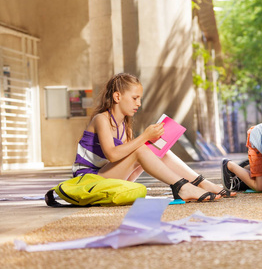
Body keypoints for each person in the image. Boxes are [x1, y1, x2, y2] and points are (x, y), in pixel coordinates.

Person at [72, 73, 235, 202]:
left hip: (109, 177)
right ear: (117, 97)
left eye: (140, 99)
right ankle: (182, 187)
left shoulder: (125, 126)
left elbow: (128, 158)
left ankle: (201, 183)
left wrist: (150, 141)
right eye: (135, 98)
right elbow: (112, 155)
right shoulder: (101, 119)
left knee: (154, 148)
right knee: (142, 148)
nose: (139, 103)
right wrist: (144, 136)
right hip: (88, 181)